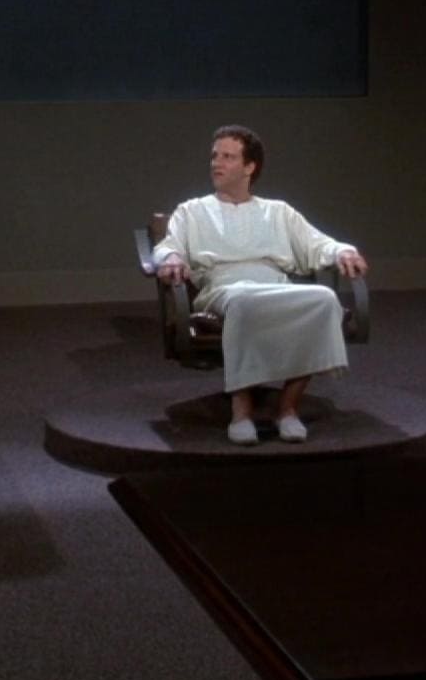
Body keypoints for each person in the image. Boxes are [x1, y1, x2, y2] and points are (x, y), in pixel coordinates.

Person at [152, 125, 368, 444]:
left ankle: (288, 409)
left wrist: (343, 251)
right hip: (225, 288)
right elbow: (168, 246)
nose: (216, 163)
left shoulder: (277, 211)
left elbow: (318, 243)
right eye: (214, 156)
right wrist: (170, 257)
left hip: (276, 286)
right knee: (244, 301)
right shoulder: (192, 210)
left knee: (324, 298)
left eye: (228, 157)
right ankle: (241, 411)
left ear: (249, 167)